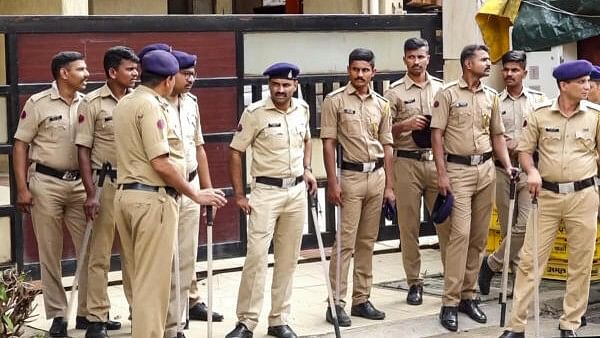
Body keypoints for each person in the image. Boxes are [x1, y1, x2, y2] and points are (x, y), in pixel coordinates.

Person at [113, 48, 226, 338]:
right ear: (166, 80)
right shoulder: (152, 106)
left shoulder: (126, 101)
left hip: (127, 195)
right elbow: (161, 162)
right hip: (152, 199)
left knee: (142, 280)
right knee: (154, 284)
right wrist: (195, 194)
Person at [500, 60, 599, 338]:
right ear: (563, 85)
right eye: (580, 82)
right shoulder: (540, 114)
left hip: (584, 195)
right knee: (530, 261)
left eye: (588, 81)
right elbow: (525, 151)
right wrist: (531, 171)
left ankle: (570, 323)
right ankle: (516, 326)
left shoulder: (595, 115)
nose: (587, 86)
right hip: (546, 196)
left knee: (580, 262)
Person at [225, 62, 317, 338]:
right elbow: (235, 151)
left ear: (295, 85)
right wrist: (239, 194)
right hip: (265, 193)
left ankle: (279, 319)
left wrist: (308, 169)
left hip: (296, 192)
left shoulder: (303, 109)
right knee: (256, 258)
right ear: (269, 85)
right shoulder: (254, 113)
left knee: (288, 258)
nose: (280, 89)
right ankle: (246, 321)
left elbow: (307, 140)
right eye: (275, 84)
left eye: (286, 85)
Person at [430, 44, 513, 332]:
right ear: (467, 64)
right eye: (483, 59)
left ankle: (469, 296)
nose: (489, 63)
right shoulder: (448, 94)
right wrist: (442, 174)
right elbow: (436, 136)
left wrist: (507, 164)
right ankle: (449, 301)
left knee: (478, 239)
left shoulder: (491, 97)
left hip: (486, 170)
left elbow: (498, 135)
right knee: (460, 235)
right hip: (457, 172)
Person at [13, 51, 90, 337]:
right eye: (81, 69)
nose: (87, 73)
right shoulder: (38, 104)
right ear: (63, 73)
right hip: (46, 183)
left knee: (89, 250)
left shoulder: (89, 103)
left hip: (82, 186)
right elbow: (20, 145)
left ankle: (88, 313)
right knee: (50, 252)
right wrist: (22, 187)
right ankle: (58, 315)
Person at [320, 48, 395, 327]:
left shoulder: (382, 104)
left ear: (373, 72)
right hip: (350, 177)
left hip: (376, 176)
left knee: (367, 242)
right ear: (348, 70)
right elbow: (328, 143)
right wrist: (333, 182)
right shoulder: (335, 101)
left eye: (365, 70)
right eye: (355, 69)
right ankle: (335, 302)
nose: (360, 75)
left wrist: (390, 185)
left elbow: (387, 146)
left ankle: (361, 299)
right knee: (346, 243)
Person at [75, 46, 139, 338]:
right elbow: (83, 150)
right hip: (106, 185)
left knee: (134, 254)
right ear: (113, 72)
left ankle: (138, 311)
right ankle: (97, 317)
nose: (136, 73)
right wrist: (90, 193)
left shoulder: (142, 101)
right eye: (129, 68)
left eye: (136, 68)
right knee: (99, 254)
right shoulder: (92, 103)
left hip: (137, 185)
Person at [163, 50, 224, 338]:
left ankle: (177, 324)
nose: (191, 79)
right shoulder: (154, 104)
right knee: (164, 260)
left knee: (186, 257)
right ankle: (161, 321)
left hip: (191, 185)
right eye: (185, 74)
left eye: (193, 73)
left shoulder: (191, 103)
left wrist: (207, 189)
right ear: (169, 75)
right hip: (163, 190)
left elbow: (199, 148)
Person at [383, 37, 446, 306]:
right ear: (405, 59)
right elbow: (381, 131)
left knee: (446, 224)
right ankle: (414, 282)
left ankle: (452, 282)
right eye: (411, 57)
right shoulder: (393, 92)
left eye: (420, 56)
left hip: (436, 163)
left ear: (428, 58)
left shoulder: (443, 90)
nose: (416, 61)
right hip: (406, 162)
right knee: (408, 227)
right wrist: (405, 124)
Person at [478, 50, 546, 295]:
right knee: (508, 229)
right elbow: (483, 135)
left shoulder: (539, 101)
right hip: (501, 171)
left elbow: (546, 136)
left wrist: (524, 146)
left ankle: (491, 263)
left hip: (528, 171)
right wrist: (501, 146)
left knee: (525, 226)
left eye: (515, 70)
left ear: (524, 73)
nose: (509, 74)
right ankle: (517, 284)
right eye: (506, 69)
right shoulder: (493, 100)